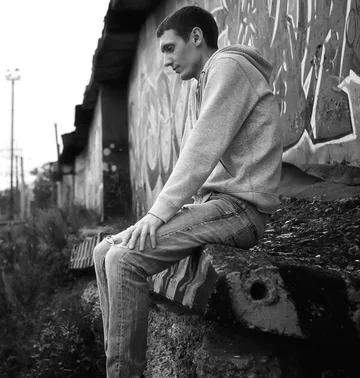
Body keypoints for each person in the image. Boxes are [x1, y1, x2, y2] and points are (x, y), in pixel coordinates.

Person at [92, 5, 283, 378]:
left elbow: (199, 151)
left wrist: (158, 214)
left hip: (240, 211)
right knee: (103, 251)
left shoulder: (229, 67)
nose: (166, 61)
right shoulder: (206, 81)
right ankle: (116, 366)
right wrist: (167, 215)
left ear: (196, 38)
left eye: (168, 48)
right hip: (218, 208)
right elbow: (200, 159)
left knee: (124, 260)